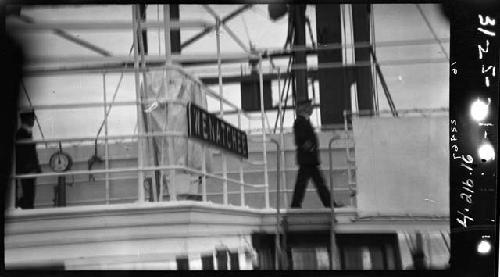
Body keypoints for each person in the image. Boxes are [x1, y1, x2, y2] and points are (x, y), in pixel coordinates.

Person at [290, 99, 342, 209]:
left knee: (312, 183)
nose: (312, 108)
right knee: (313, 183)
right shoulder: (300, 122)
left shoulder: (304, 121)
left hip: (309, 159)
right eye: (309, 106)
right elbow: (300, 139)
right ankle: (327, 203)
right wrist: (311, 148)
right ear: (304, 109)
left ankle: (297, 204)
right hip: (307, 158)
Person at [16, 109, 41, 209]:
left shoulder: (25, 133)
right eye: (32, 118)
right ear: (27, 119)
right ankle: (26, 209)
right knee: (28, 194)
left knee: (29, 194)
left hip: (29, 170)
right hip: (27, 171)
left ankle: (27, 208)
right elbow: (23, 154)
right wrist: (32, 168)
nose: (34, 121)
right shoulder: (22, 134)